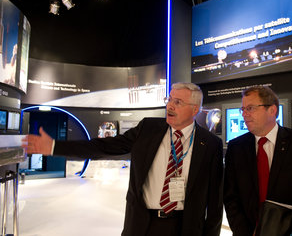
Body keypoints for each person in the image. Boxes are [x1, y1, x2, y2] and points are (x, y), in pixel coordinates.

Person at [22, 82, 224, 236]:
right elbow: (103, 146)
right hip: (142, 224)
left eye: (177, 102)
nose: (170, 105)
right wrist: (55, 146)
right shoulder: (148, 129)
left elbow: (215, 201)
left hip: (185, 227)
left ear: (195, 109)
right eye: (169, 99)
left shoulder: (210, 144)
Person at [223, 85, 292, 236]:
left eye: (250, 108)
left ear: (272, 110)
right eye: (243, 109)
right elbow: (231, 196)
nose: (244, 114)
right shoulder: (236, 147)